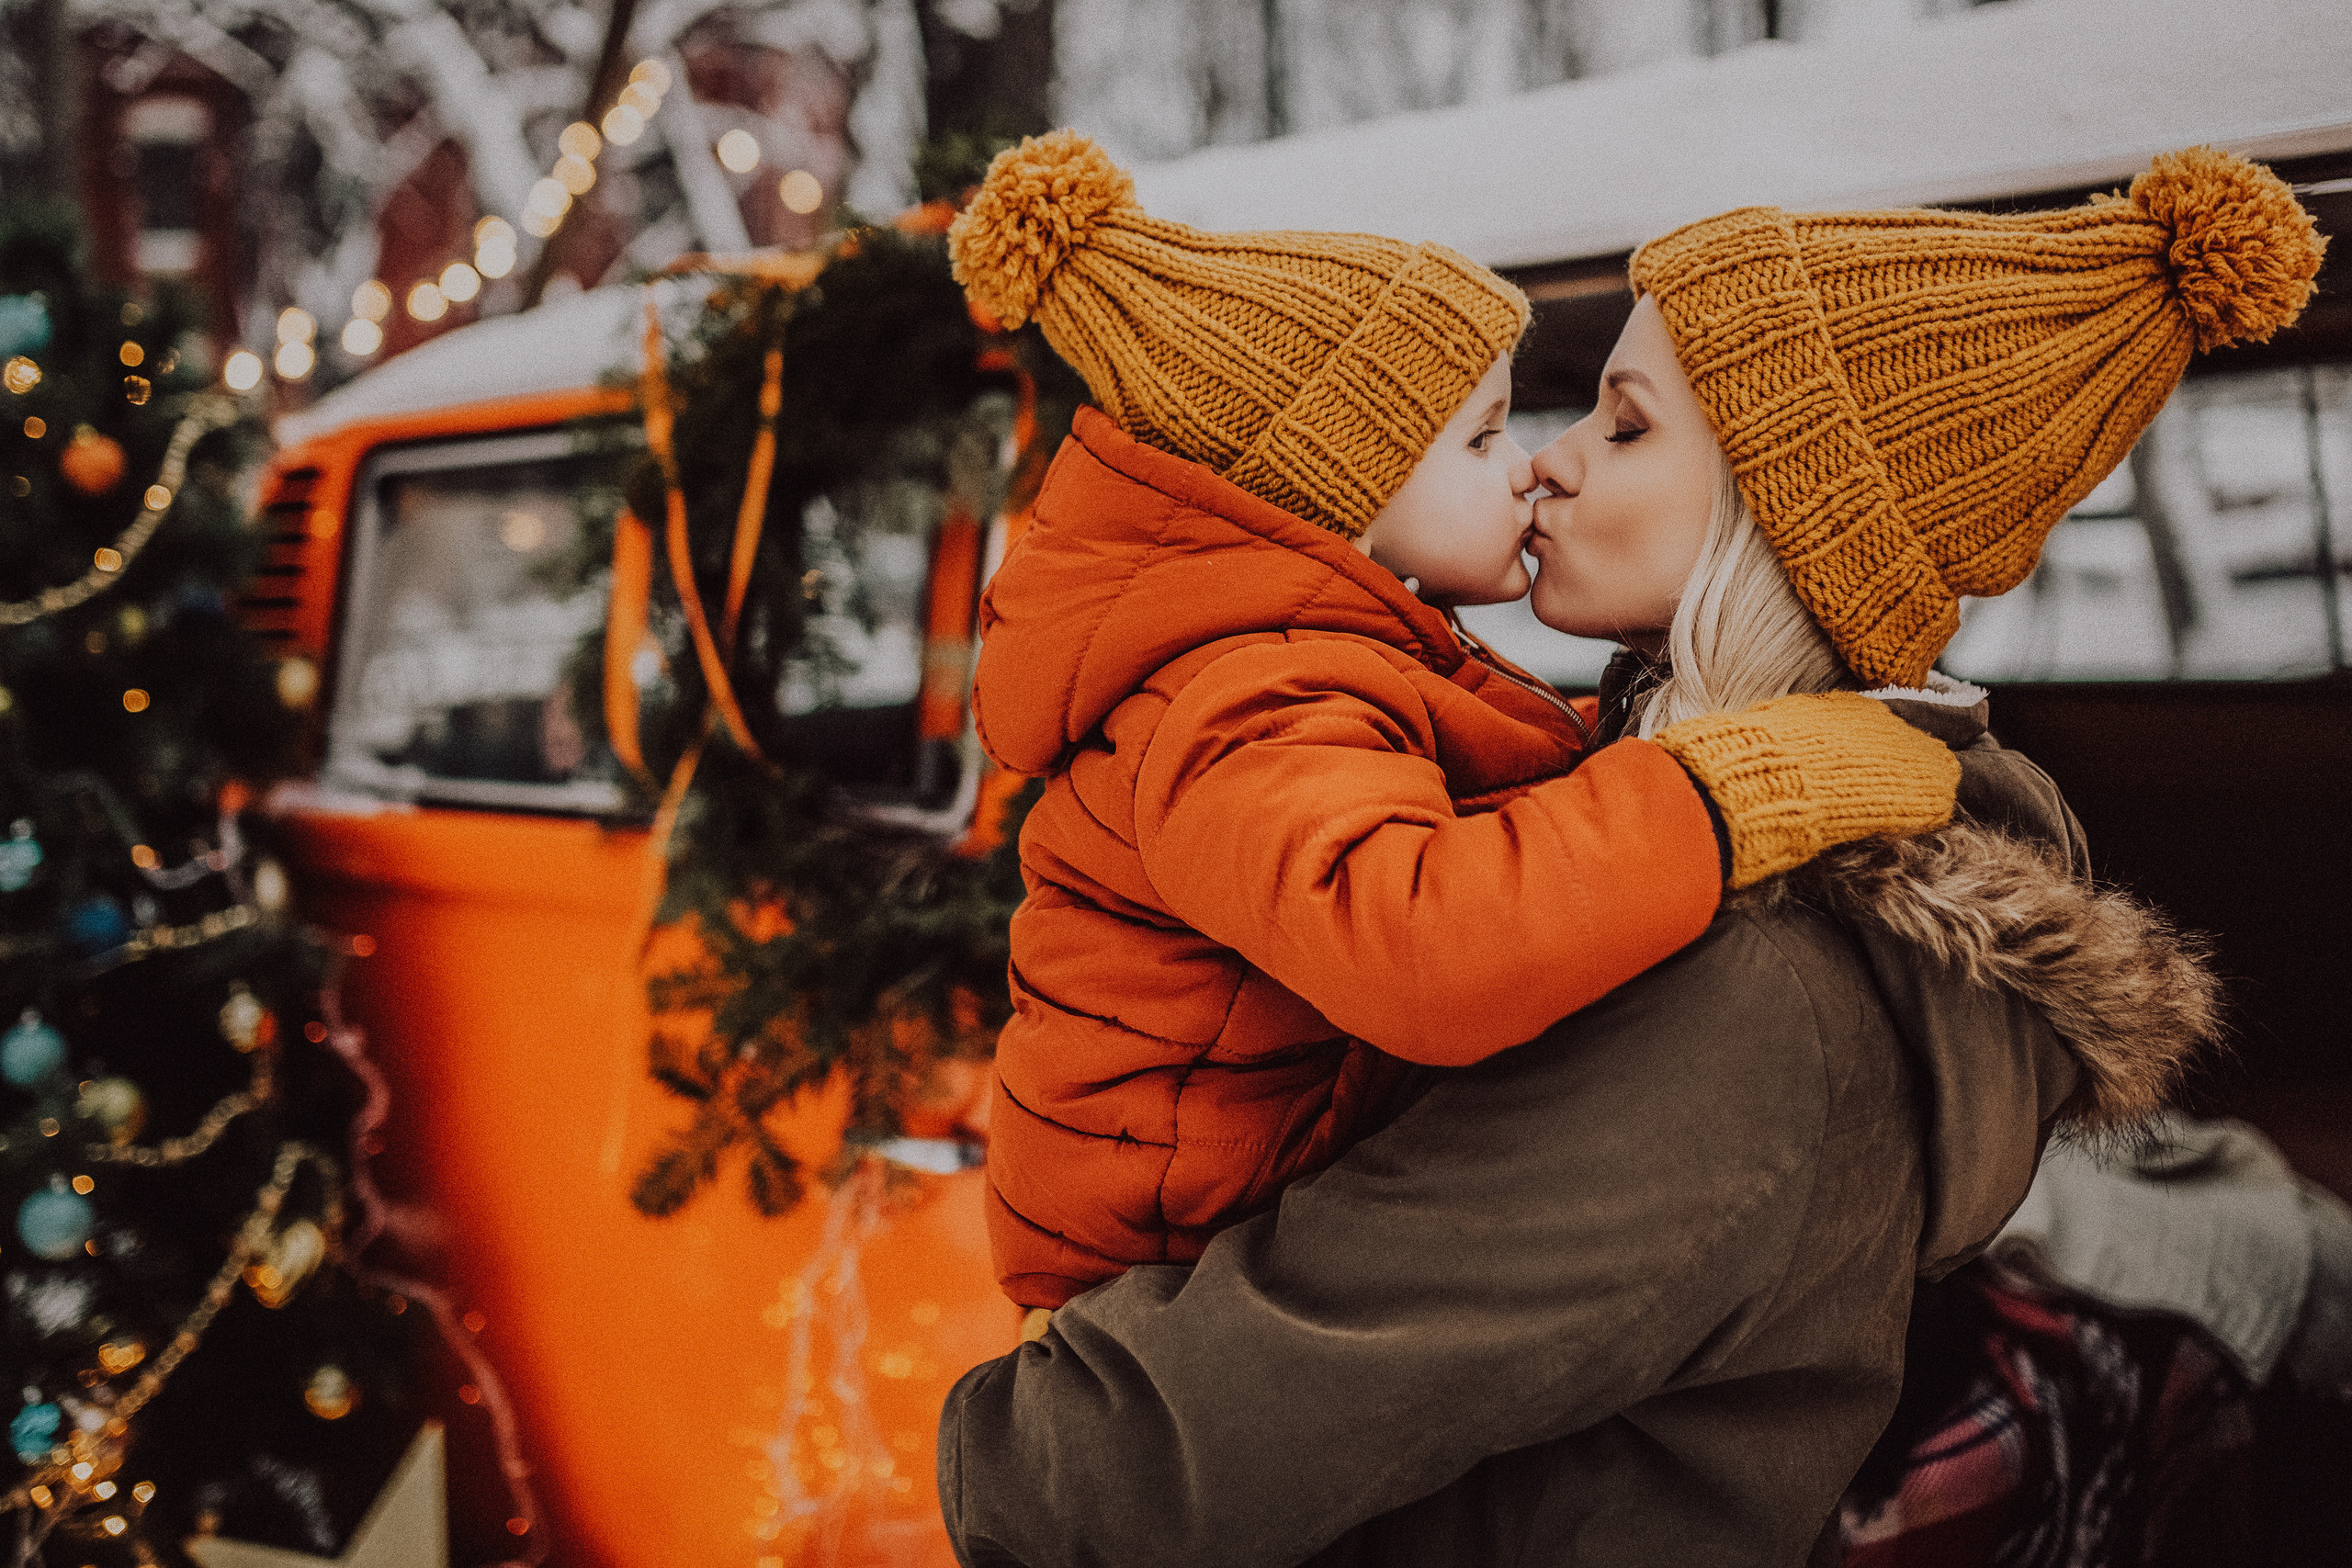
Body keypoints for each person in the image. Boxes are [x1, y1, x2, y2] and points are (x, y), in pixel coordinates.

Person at [938, 147, 2323, 1565]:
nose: (1552, 457)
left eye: (1627, 422)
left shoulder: (1751, 991)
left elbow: (1097, 1485)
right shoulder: (1652, 839)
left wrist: (1002, 1451)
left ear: (1784, 513)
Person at [947, 130, 1960, 1314]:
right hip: (1161, 1265)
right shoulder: (1242, 701)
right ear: (1344, 492)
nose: (1529, 468)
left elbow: (1465, 763)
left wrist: (1639, 731)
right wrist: (1723, 790)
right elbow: (1421, 943)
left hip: (1239, 1199)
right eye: (1482, 439)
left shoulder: (1306, 655)